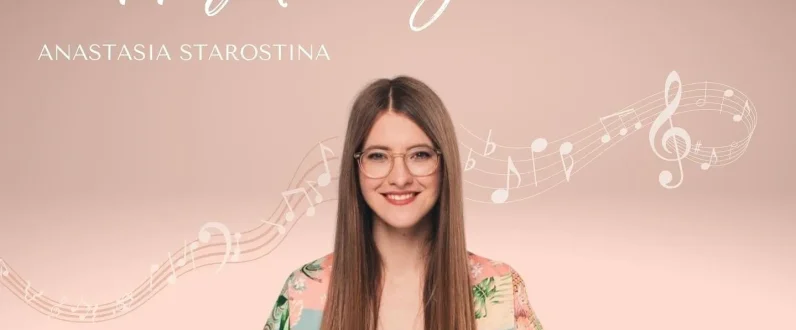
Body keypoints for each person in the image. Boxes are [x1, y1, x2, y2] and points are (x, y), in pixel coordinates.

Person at [262, 76, 544, 330]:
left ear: (444, 163)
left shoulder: (500, 288)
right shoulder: (304, 291)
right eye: (378, 156)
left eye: (419, 155)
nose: (400, 177)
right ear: (356, 168)